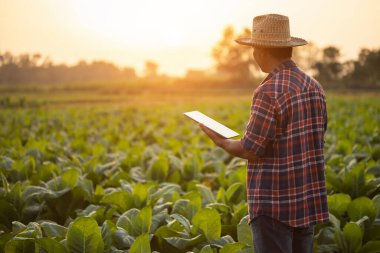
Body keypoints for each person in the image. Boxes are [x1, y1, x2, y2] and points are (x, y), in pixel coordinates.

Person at [200, 14, 329, 253]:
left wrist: (222, 142)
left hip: (274, 204)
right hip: (307, 201)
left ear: (259, 50)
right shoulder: (314, 87)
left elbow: (251, 148)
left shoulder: (268, 90)